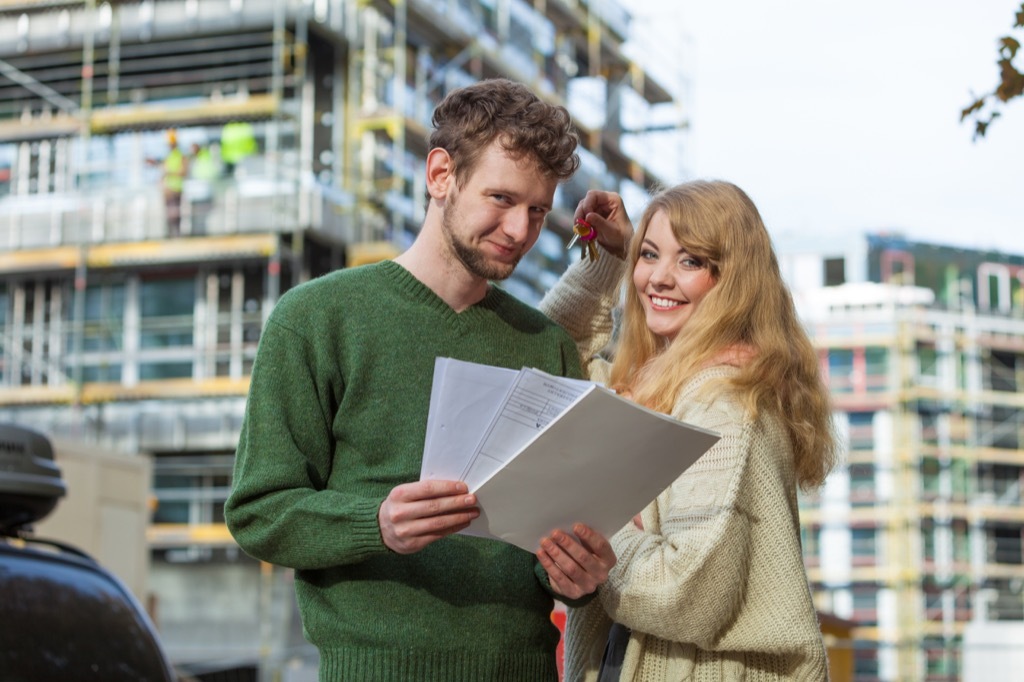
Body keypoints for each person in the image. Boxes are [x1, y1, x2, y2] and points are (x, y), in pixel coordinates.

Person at [224, 78, 617, 681]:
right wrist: (375, 523)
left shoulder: (547, 346)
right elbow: (259, 511)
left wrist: (576, 576)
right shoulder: (316, 318)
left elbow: (548, 541)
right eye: (502, 199)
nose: (520, 230)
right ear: (440, 175)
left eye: (538, 210)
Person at [540, 181, 840, 681]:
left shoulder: (724, 402)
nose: (659, 278)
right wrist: (607, 258)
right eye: (649, 254)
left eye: (691, 261)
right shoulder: (658, 390)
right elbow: (551, 357)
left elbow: (688, 591)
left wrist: (589, 518)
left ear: (735, 281)